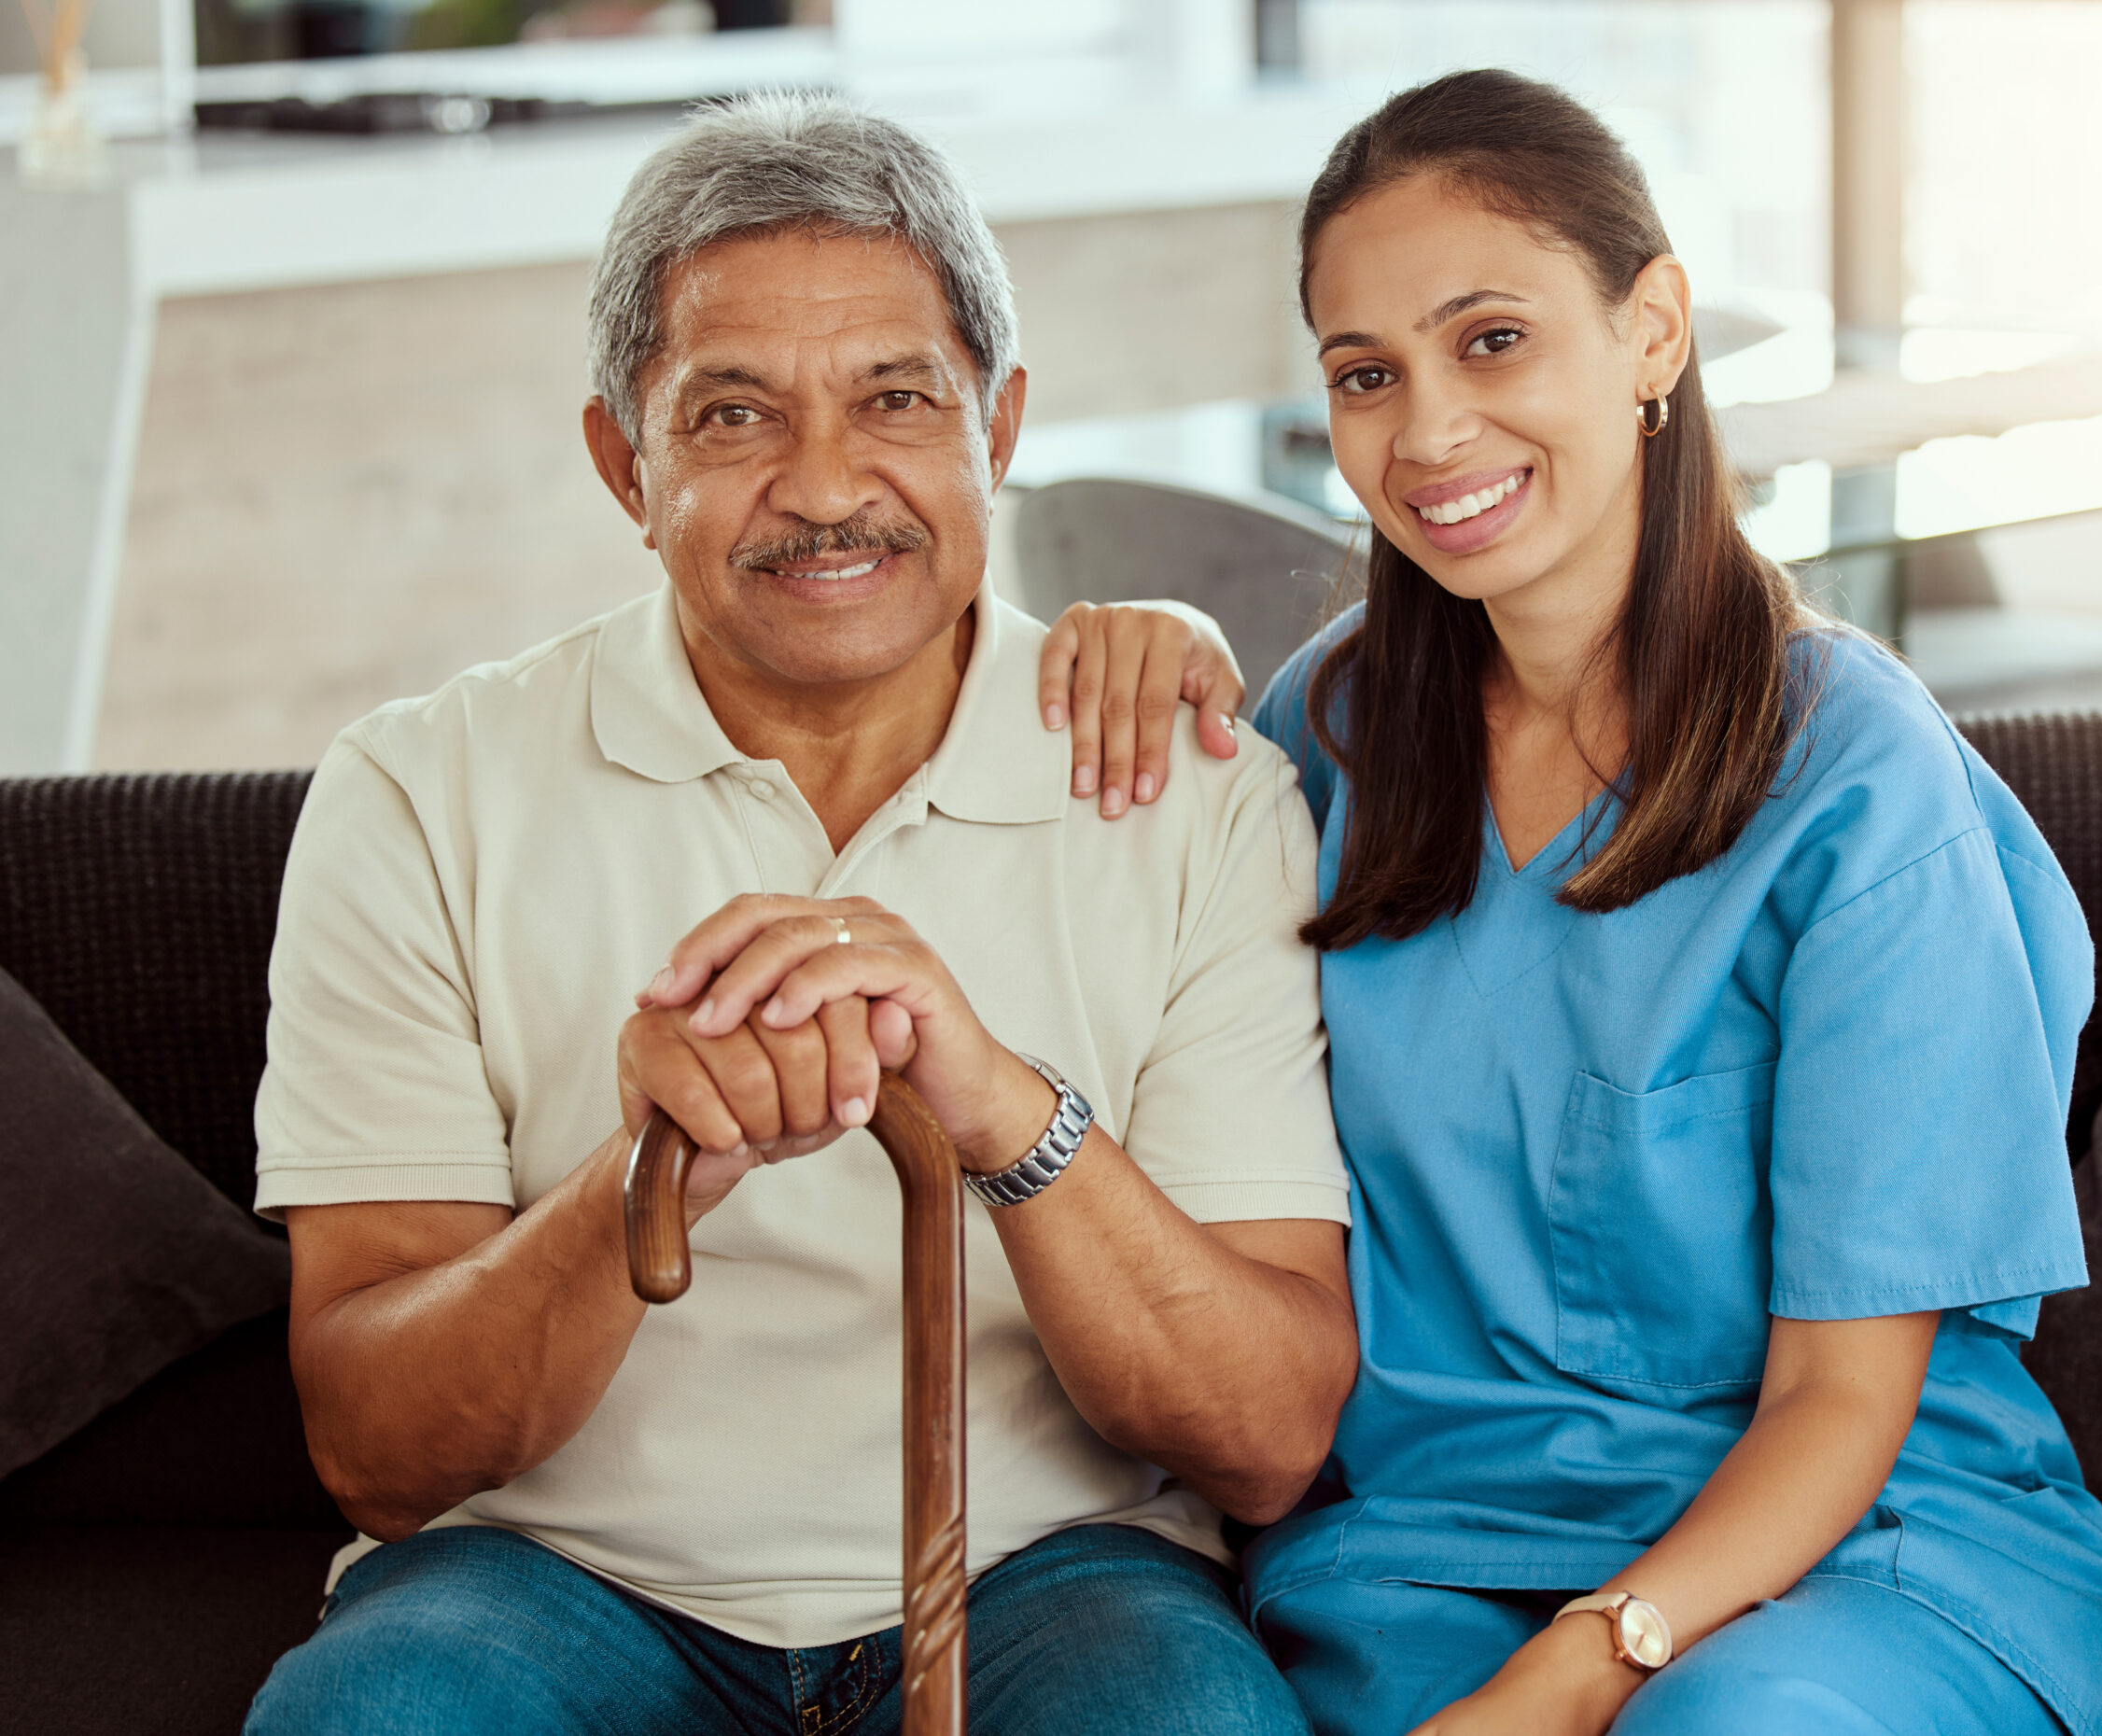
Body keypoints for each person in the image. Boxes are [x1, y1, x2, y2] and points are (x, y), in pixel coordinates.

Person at [1037, 69, 2102, 1736]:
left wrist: (1583, 1672)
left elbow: (1843, 1396)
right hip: (1426, 1554)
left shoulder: (1858, 780)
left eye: (1491, 339)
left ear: (1653, 334)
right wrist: (1151, 654)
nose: (1426, 433)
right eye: (1369, 375)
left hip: (1851, 1549)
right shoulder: (1321, 736)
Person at [244, 92, 1356, 1736]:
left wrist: (1004, 1112)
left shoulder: (1193, 790)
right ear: (625, 464)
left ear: (1002, 426)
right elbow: (376, 1449)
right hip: (547, 1582)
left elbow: (1266, 1434)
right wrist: (642, 1184)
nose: (827, 485)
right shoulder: (418, 792)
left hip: (1052, 1573)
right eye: (734, 415)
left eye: (897, 398)